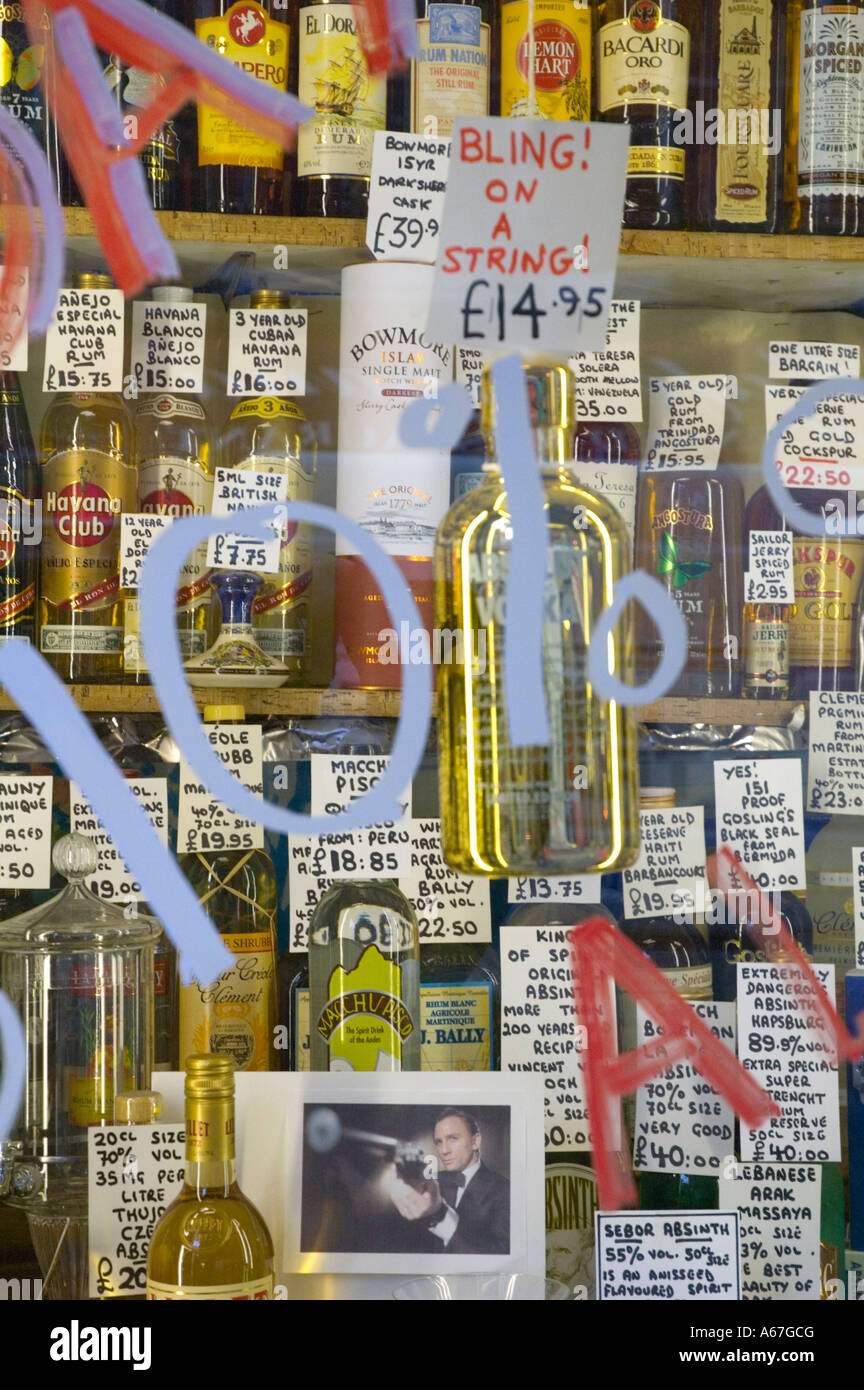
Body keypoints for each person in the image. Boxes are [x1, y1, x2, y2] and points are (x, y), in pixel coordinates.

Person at [387, 1108, 510, 1254]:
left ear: (475, 1141)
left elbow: (498, 1257)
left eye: (453, 1138)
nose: (444, 1150)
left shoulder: (504, 1190)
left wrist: (440, 1213)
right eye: (439, 1142)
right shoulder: (431, 1182)